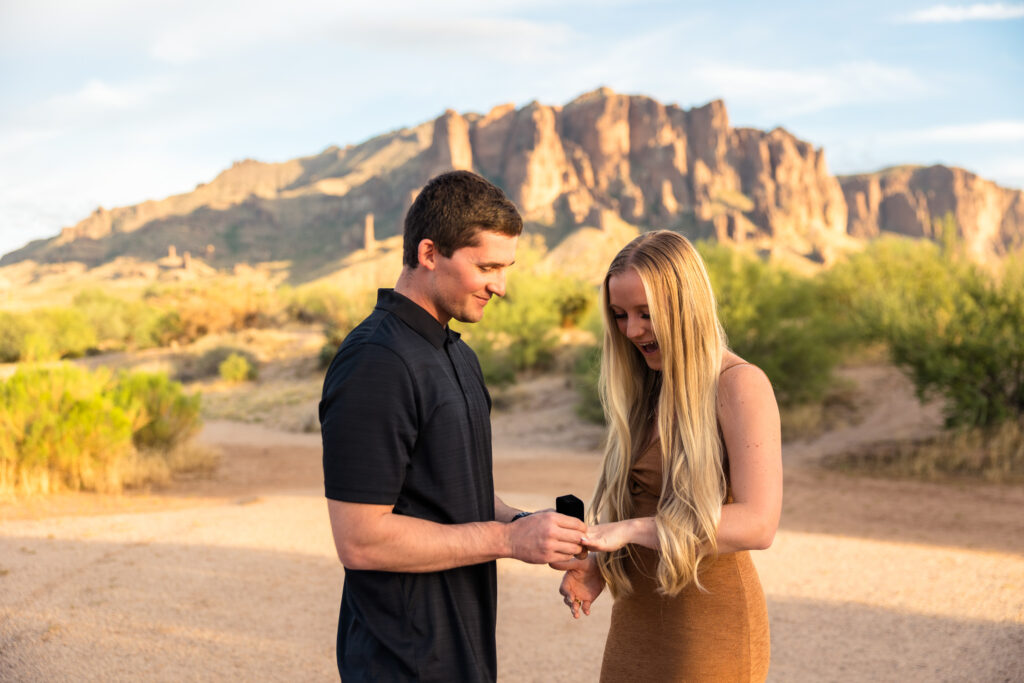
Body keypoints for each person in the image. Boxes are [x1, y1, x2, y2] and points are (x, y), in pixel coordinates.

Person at [319, 170, 587, 682]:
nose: (501, 287)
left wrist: (530, 528)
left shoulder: (455, 353)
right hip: (400, 661)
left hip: (461, 654)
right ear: (428, 254)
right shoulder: (377, 361)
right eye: (487, 266)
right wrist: (508, 543)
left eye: (506, 268)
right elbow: (361, 540)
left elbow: (453, 494)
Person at [555, 230, 782, 681]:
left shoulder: (739, 385)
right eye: (620, 315)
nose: (632, 330)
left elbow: (758, 524)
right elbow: (646, 501)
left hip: (708, 627)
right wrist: (600, 563)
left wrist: (628, 531)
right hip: (636, 618)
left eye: (646, 313)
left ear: (686, 305)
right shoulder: (649, 384)